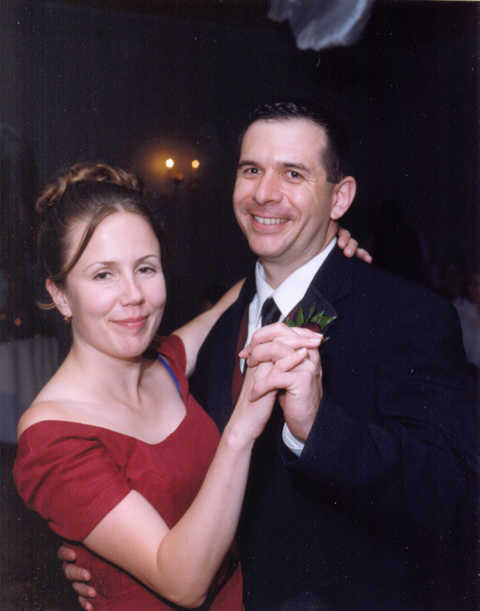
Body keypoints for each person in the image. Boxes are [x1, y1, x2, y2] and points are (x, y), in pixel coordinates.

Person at [62, 101, 477, 610]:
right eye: (252, 170)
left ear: (340, 197)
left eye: (293, 173)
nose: (264, 193)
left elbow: (457, 499)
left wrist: (317, 429)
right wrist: (112, 553)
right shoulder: (217, 329)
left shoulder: (408, 316)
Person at [14, 162, 328, 609]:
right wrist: (241, 429)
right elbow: (183, 584)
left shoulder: (165, 362)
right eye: (103, 274)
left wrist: (323, 250)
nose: (134, 296)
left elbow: (242, 296)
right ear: (61, 295)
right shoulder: (51, 436)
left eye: (146, 268)